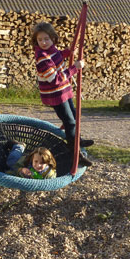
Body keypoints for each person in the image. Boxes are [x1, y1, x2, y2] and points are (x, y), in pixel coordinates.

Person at [31, 21, 94, 167]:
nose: (43, 42)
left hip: (64, 91)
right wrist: (74, 68)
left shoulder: (51, 51)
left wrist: (68, 52)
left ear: (53, 38)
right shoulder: (42, 58)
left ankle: (77, 140)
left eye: (46, 39)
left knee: (74, 115)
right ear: (36, 41)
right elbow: (55, 80)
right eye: (40, 40)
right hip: (55, 95)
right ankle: (74, 153)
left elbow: (57, 56)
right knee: (70, 122)